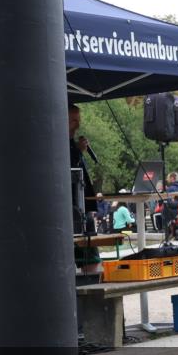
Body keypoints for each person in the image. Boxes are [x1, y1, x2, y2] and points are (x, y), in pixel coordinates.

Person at [69, 104, 100, 272]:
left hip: (83, 206)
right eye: (74, 120)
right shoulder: (59, 144)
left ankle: (93, 287)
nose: (77, 125)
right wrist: (79, 152)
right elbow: (68, 171)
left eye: (78, 121)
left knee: (91, 257)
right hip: (72, 209)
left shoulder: (74, 144)